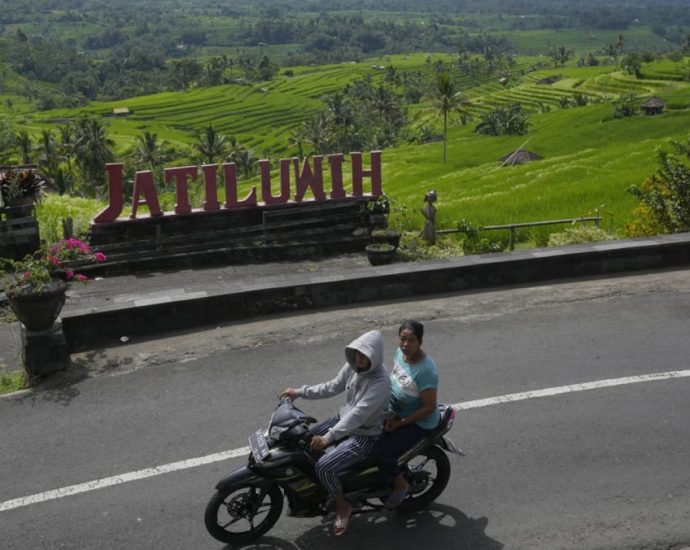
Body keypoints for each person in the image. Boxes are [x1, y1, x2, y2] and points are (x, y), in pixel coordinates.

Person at [279, 329, 390, 536]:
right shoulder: (353, 367)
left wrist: (328, 438)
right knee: (303, 441)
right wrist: (299, 392)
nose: (359, 358)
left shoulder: (380, 382)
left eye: (365, 355)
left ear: (375, 357)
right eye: (357, 353)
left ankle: (342, 504)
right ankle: (329, 487)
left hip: (366, 435)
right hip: (344, 421)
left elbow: (358, 415)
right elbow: (331, 387)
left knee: (324, 467)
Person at [372, 319, 441, 509]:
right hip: (395, 412)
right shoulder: (400, 354)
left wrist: (400, 422)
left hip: (418, 421)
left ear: (420, 342)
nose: (405, 345)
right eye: (402, 339)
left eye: (411, 340)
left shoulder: (426, 371)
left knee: (381, 451)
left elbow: (429, 407)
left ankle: (400, 482)